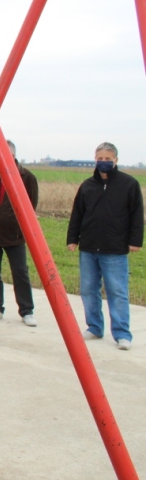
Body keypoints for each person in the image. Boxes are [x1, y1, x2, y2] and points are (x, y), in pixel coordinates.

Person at [66, 142, 143, 351]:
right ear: (95, 159)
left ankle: (122, 334)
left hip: (115, 249)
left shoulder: (129, 184)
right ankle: (94, 327)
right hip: (89, 247)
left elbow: (137, 215)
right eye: (100, 158)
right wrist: (72, 238)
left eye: (108, 159)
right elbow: (77, 214)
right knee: (88, 290)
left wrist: (135, 240)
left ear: (116, 160)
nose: (104, 162)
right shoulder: (87, 186)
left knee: (117, 291)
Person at [0, 140, 39, 327]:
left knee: (20, 273)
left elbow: (31, 204)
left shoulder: (27, 177)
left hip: (15, 234)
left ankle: (26, 311)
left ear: (13, 155)